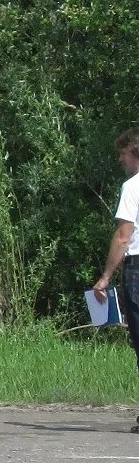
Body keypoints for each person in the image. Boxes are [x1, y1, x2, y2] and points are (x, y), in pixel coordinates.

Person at [90, 128, 139, 430]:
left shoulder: (132, 187)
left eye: (122, 153)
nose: (120, 159)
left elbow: (123, 236)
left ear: (134, 154)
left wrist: (106, 275)